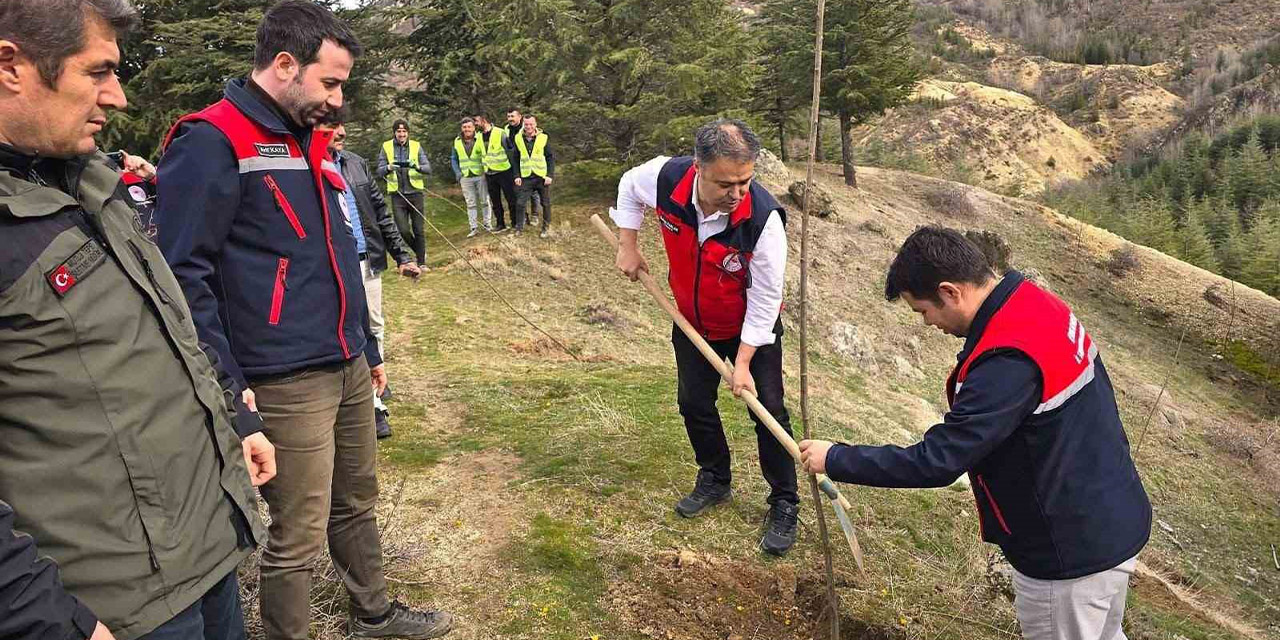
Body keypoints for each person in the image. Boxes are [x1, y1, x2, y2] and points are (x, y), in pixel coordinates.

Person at [154, 2, 452, 638]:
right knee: (298, 532)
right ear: (286, 64)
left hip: (345, 359)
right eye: (331, 83)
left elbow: (339, 254)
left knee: (357, 501)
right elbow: (183, 279)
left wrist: (367, 349)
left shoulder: (309, 138)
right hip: (283, 376)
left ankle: (373, 614)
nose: (339, 100)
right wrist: (231, 389)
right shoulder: (210, 140)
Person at [0, 1, 272, 638]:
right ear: (10, 66)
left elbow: (164, 323)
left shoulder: (92, 183)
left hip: (205, 549)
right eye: (97, 71)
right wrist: (44, 617)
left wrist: (234, 417)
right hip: (110, 607)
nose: (117, 97)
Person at [799, 226, 1152, 640]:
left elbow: (938, 460)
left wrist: (835, 458)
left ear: (950, 292)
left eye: (923, 311)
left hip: (1068, 556)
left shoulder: (1007, 359)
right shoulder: (1033, 303)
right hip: (1110, 519)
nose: (927, 323)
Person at [610, 119, 798, 556]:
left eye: (745, 182)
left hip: (751, 327)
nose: (737, 194)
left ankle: (784, 502)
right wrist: (627, 244)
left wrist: (744, 363)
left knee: (768, 411)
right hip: (692, 321)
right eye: (725, 184)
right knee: (693, 403)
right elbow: (628, 186)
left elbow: (766, 299)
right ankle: (714, 478)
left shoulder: (764, 220)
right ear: (698, 168)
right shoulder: (666, 179)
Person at [324, 116, 421, 439]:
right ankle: (371, 407)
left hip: (367, 261)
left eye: (342, 124)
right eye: (332, 126)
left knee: (374, 326)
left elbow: (380, 213)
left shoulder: (355, 163)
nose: (341, 131)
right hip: (335, 266)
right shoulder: (308, 167)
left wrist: (402, 255)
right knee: (350, 328)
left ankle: (376, 382)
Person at [376, 118, 431, 268]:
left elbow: (428, 168)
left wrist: (417, 167)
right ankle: (419, 251)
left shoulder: (416, 146)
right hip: (397, 195)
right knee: (403, 230)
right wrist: (389, 168)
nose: (401, 134)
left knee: (418, 229)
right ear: (394, 133)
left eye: (404, 131)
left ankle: (422, 262)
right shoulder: (386, 146)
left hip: (416, 193)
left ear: (408, 132)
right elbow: (379, 171)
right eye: (399, 131)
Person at [513, 114, 555, 238]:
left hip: (541, 176)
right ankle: (519, 228)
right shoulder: (518, 138)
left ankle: (546, 228)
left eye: (531, 124)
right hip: (526, 177)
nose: (529, 127)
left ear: (535, 124)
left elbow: (550, 157)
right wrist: (517, 175)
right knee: (520, 203)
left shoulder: (543, 137)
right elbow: (515, 158)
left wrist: (549, 175)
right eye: (526, 124)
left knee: (545, 203)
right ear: (523, 125)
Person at [450, 117, 491, 237]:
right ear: (461, 128)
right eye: (464, 127)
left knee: (485, 201)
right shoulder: (457, 141)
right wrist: (458, 173)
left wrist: (486, 170)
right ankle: (473, 227)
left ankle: (487, 224)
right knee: (470, 203)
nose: (467, 129)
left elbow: (486, 154)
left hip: (480, 174)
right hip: (465, 176)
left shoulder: (480, 138)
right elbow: (454, 158)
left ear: (474, 128)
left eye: (469, 127)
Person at [475, 114, 515, 232]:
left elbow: (510, 151)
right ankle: (500, 224)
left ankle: (515, 222)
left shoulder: (500, 132)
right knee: (495, 200)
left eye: (476, 121)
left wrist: (514, 171)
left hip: (504, 171)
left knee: (511, 198)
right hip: (489, 173)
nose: (475, 124)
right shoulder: (478, 136)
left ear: (484, 120)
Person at [505, 107, 541, 222]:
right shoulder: (506, 129)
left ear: (519, 117)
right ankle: (523, 216)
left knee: (534, 192)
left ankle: (535, 215)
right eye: (508, 116)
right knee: (519, 192)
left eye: (512, 116)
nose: (510, 119)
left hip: (529, 164)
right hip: (515, 164)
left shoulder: (526, 127)